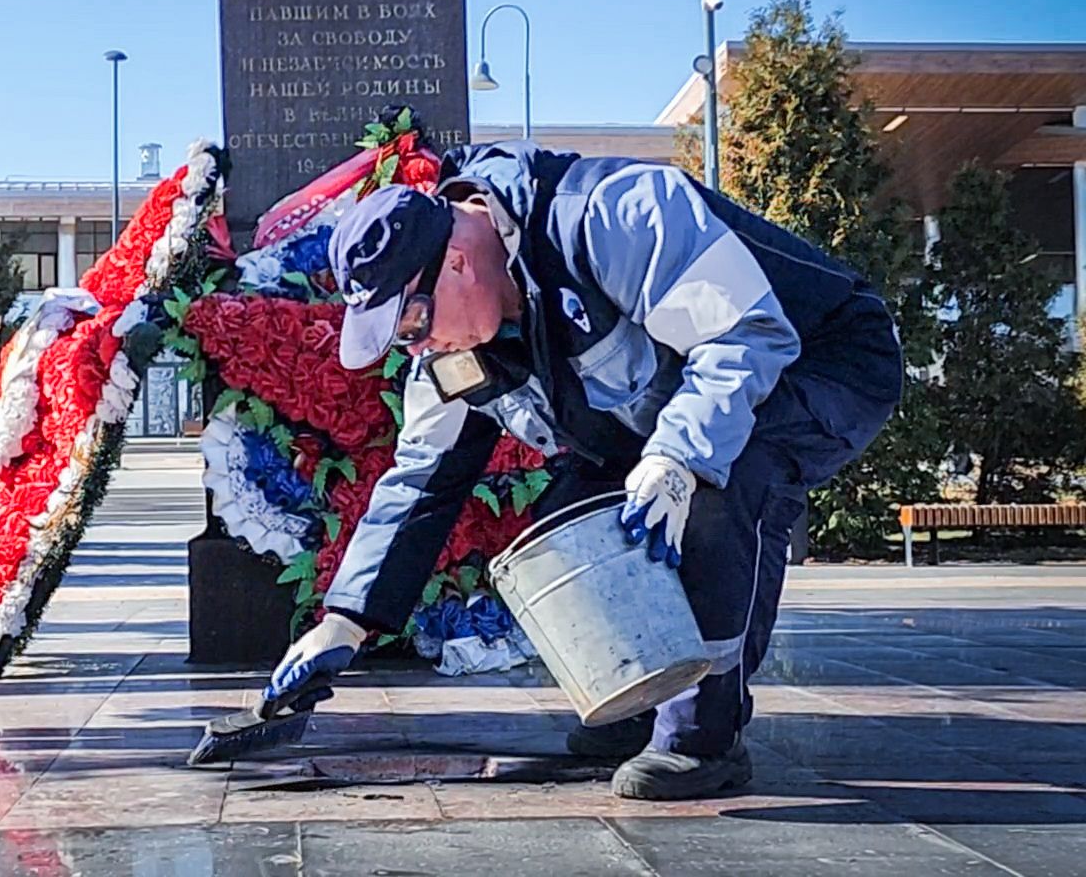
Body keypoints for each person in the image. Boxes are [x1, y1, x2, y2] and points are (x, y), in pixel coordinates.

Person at [263, 141, 903, 800]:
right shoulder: (449, 351)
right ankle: (637, 698)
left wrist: (678, 458)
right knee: (568, 516)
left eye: (414, 323)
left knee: (722, 485)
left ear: (455, 260)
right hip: (666, 404)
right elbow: (423, 479)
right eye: (403, 339)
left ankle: (700, 736)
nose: (420, 349)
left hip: (821, 360)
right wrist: (344, 621)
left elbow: (742, 337)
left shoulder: (609, 213)